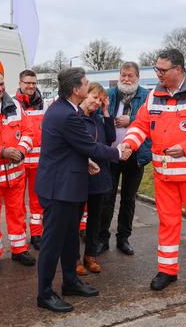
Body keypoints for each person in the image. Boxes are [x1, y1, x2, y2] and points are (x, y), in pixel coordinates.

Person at [121, 48, 186, 292]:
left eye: (162, 70)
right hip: (164, 174)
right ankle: (167, 270)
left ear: (178, 69)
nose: (158, 74)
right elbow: (141, 124)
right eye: (156, 69)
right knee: (167, 223)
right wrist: (129, 143)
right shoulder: (154, 94)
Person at [35, 67, 129, 313]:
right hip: (59, 188)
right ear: (76, 89)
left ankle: (70, 281)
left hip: (68, 183)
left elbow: (66, 147)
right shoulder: (66, 114)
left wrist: (85, 162)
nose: (89, 87)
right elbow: (90, 146)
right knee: (52, 243)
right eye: (86, 83)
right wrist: (118, 152)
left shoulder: (68, 109)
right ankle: (44, 293)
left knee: (68, 239)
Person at [0, 69, 36, 273]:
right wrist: (2, 151)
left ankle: (19, 249)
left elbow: (29, 132)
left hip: (16, 174)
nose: (0, 88)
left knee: (18, 212)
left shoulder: (15, 105)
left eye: (2, 84)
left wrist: (21, 151)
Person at [98, 61, 152, 256]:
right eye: (123, 75)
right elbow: (96, 114)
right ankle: (102, 239)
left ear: (138, 77)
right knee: (107, 198)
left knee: (129, 199)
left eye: (130, 75)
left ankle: (123, 238)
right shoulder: (109, 94)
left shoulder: (146, 96)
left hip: (135, 155)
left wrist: (132, 120)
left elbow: (153, 120)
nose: (126, 79)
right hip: (111, 154)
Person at [75, 83, 116, 275]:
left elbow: (110, 137)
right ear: (85, 95)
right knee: (74, 219)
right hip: (81, 174)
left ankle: (90, 255)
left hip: (100, 175)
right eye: (94, 97)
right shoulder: (75, 117)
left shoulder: (99, 118)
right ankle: (74, 258)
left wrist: (106, 113)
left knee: (95, 218)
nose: (97, 102)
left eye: (100, 99)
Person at [14, 69, 45, 251]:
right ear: (20, 83)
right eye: (27, 83)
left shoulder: (44, 104)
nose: (31, 86)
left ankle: (36, 234)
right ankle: (19, 238)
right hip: (18, 162)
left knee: (37, 202)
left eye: (33, 83)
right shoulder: (12, 104)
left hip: (39, 163)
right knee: (17, 204)